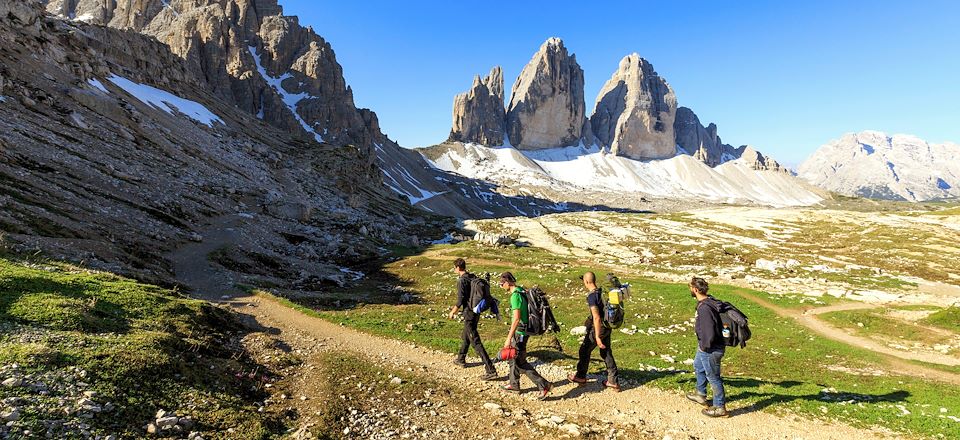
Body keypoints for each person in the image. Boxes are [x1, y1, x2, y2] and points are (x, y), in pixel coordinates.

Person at [498, 271, 551, 399]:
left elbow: (516, 318)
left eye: (501, 283)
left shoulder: (515, 296)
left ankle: (543, 385)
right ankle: (513, 384)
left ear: (508, 282)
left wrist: (508, 338)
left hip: (520, 332)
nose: (501, 286)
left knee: (519, 361)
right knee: (515, 359)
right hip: (525, 330)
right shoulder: (521, 290)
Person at [447, 258, 498, 381]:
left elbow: (460, 300)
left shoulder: (461, 281)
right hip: (476, 311)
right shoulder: (472, 277)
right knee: (466, 334)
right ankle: (461, 358)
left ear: (458, 268)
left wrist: (453, 311)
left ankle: (490, 370)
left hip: (469, 313)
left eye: (454, 268)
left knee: (475, 341)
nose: (454, 270)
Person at [568, 272, 619, 391]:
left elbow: (596, 317)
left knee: (584, 350)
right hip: (607, 326)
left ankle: (580, 376)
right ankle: (613, 381)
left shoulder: (592, 296)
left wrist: (597, 336)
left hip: (599, 328)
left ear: (586, 282)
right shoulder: (602, 292)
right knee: (606, 352)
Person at [686, 277, 728, 417]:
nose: (690, 290)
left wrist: (705, 347)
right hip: (705, 346)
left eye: (691, 288)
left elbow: (709, 331)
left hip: (710, 348)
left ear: (696, 289)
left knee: (713, 377)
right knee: (698, 367)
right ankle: (700, 394)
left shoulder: (704, 308)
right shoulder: (708, 301)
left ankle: (719, 407)